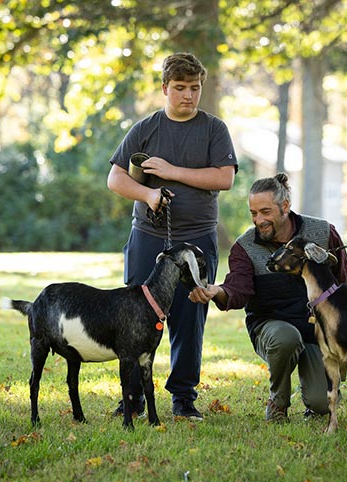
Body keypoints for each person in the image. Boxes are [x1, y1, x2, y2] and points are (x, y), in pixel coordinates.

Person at [107, 52, 238, 421]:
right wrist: (148, 194)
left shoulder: (214, 129)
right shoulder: (145, 128)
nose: (188, 96)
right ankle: (131, 396)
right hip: (147, 236)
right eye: (179, 88)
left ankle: (183, 398)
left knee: (189, 315)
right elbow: (116, 179)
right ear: (165, 88)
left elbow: (224, 178)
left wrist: (171, 171)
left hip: (197, 238)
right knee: (134, 318)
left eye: (194, 88)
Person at [189, 173, 347, 423]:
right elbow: (239, 289)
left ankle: (314, 394)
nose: (259, 220)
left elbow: (344, 285)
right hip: (272, 326)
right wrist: (217, 291)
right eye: (254, 213)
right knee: (286, 339)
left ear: (285, 206)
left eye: (265, 211)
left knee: (322, 404)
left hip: (315, 333)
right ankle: (278, 401)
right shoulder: (245, 246)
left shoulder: (322, 233)